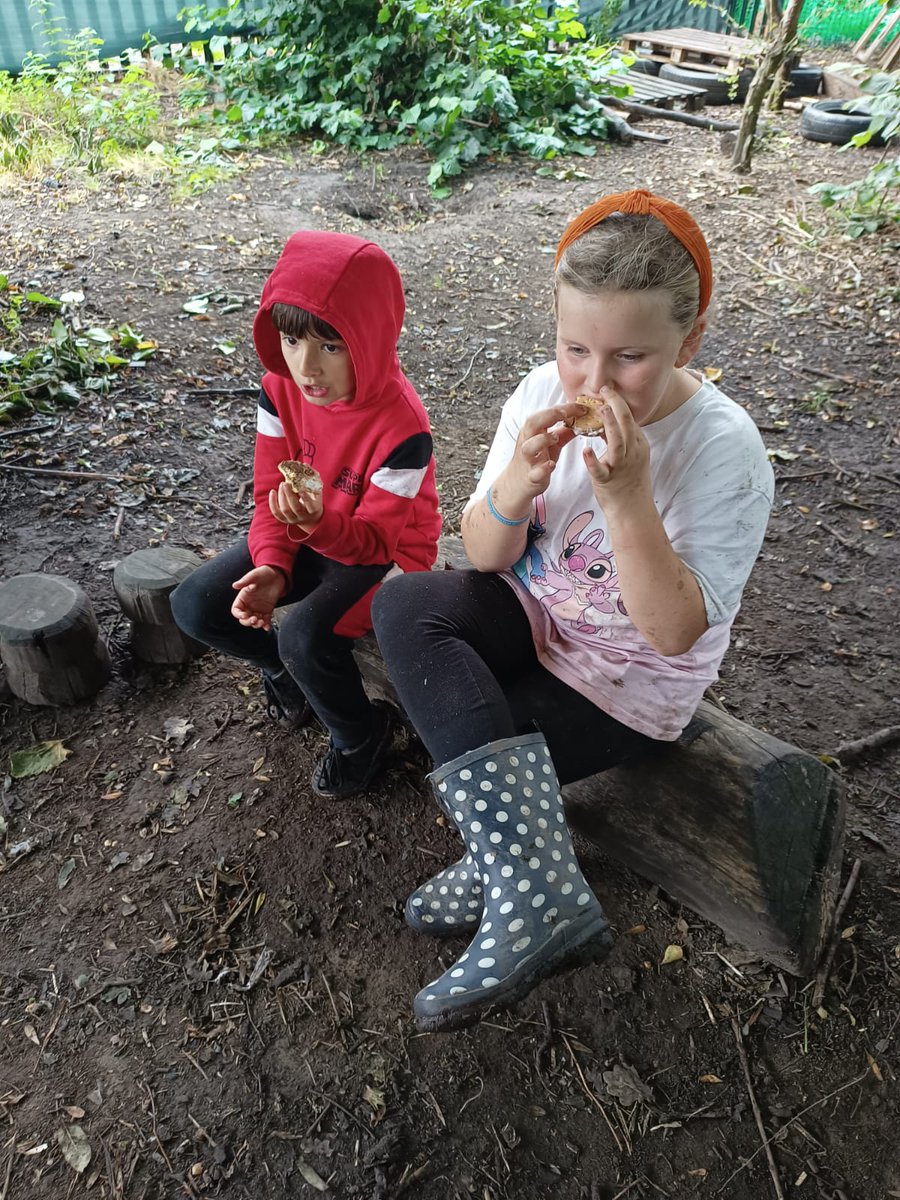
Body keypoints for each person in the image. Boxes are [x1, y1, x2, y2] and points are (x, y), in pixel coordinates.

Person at [371, 189, 774, 1033]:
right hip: (536, 613)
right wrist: (519, 476)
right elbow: (484, 553)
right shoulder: (536, 394)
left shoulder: (723, 449)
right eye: (574, 349)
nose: (593, 383)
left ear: (688, 342)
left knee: (480, 733)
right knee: (408, 601)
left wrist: (626, 498)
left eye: (629, 357)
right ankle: (528, 876)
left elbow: (671, 630)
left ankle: (513, 869)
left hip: (627, 679)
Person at [171, 230, 441, 798]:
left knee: (304, 636)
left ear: (369, 338)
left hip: (381, 552)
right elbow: (271, 490)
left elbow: (373, 544)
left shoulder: (402, 427)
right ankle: (279, 667)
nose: (307, 367)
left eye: (331, 346)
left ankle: (359, 736)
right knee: (193, 605)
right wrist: (272, 566)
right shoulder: (281, 389)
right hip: (310, 532)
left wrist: (316, 525)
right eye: (292, 341)